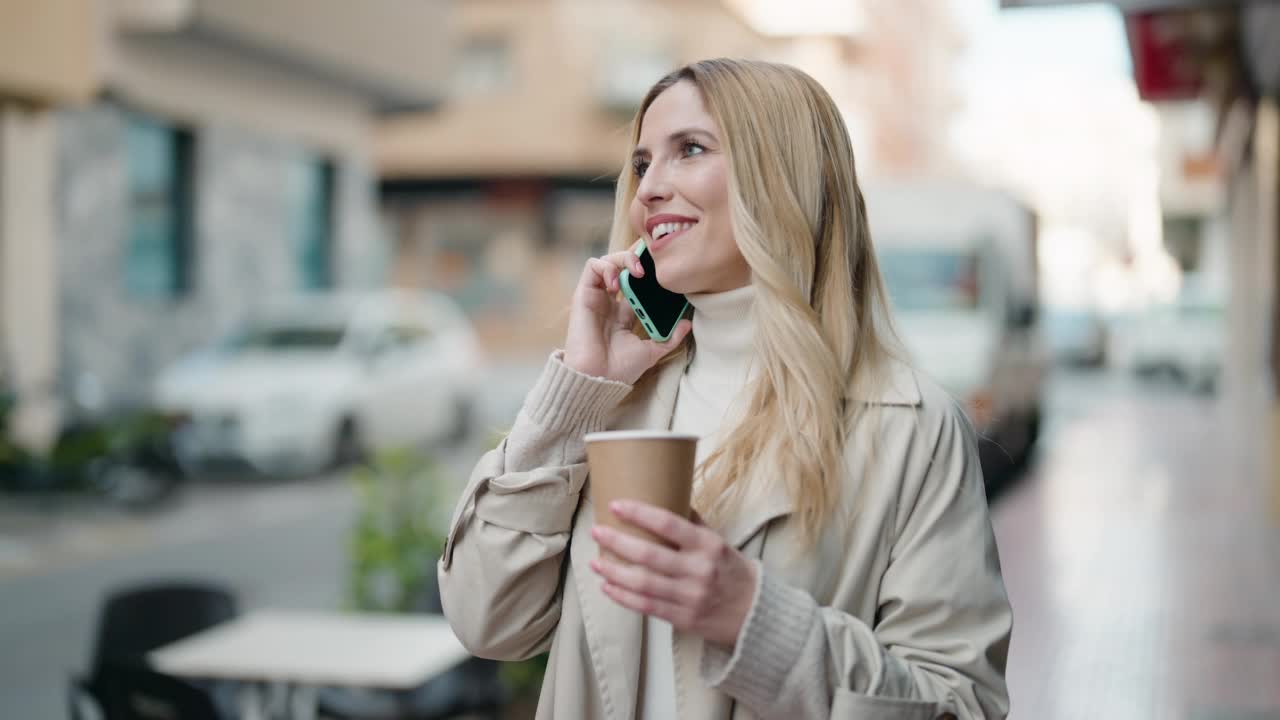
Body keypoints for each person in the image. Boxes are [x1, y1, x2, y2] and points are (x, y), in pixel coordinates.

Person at [438, 58, 1012, 720]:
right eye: (644, 162)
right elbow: (487, 621)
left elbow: (960, 703)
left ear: (784, 175)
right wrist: (578, 392)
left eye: (689, 149)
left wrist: (755, 619)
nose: (648, 189)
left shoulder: (908, 424)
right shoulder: (614, 400)